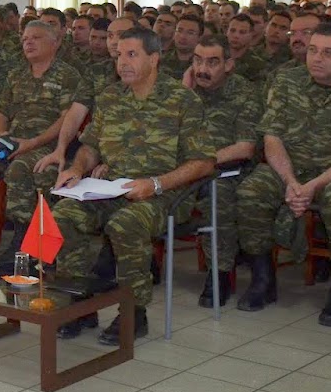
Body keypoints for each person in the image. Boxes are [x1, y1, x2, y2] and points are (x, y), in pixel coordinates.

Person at [52, 28, 217, 345]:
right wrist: (76, 168)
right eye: (119, 55)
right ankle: (81, 303)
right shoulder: (112, 97)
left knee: (126, 223)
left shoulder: (182, 100)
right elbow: (90, 147)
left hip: (163, 193)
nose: (122, 63)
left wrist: (155, 184)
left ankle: (133, 312)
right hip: (112, 188)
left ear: (154, 59)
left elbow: (204, 162)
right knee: (65, 215)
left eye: (132, 55)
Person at [233, 23, 331, 322]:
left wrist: (312, 185)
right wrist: (291, 181)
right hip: (289, 166)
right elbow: (272, 137)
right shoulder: (287, 80)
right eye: (313, 50)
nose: (316, 58)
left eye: (329, 53)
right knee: (250, 192)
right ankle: (263, 279)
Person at [0, 21, 82, 269]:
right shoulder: (16, 74)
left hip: (48, 145)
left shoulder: (68, 76)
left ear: (55, 43)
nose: (28, 42)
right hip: (14, 141)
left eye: (36, 38)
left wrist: (33, 143)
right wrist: (2, 136)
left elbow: (66, 119)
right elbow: (2, 112)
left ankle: (22, 243)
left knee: (20, 170)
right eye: (25, 38)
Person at [187, 35, 261, 307]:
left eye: (212, 62)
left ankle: (219, 272)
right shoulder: (186, 92)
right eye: (197, 60)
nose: (202, 69)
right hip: (186, 169)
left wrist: (201, 163)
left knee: (216, 195)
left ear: (228, 64)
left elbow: (245, 148)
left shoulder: (245, 94)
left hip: (228, 170)